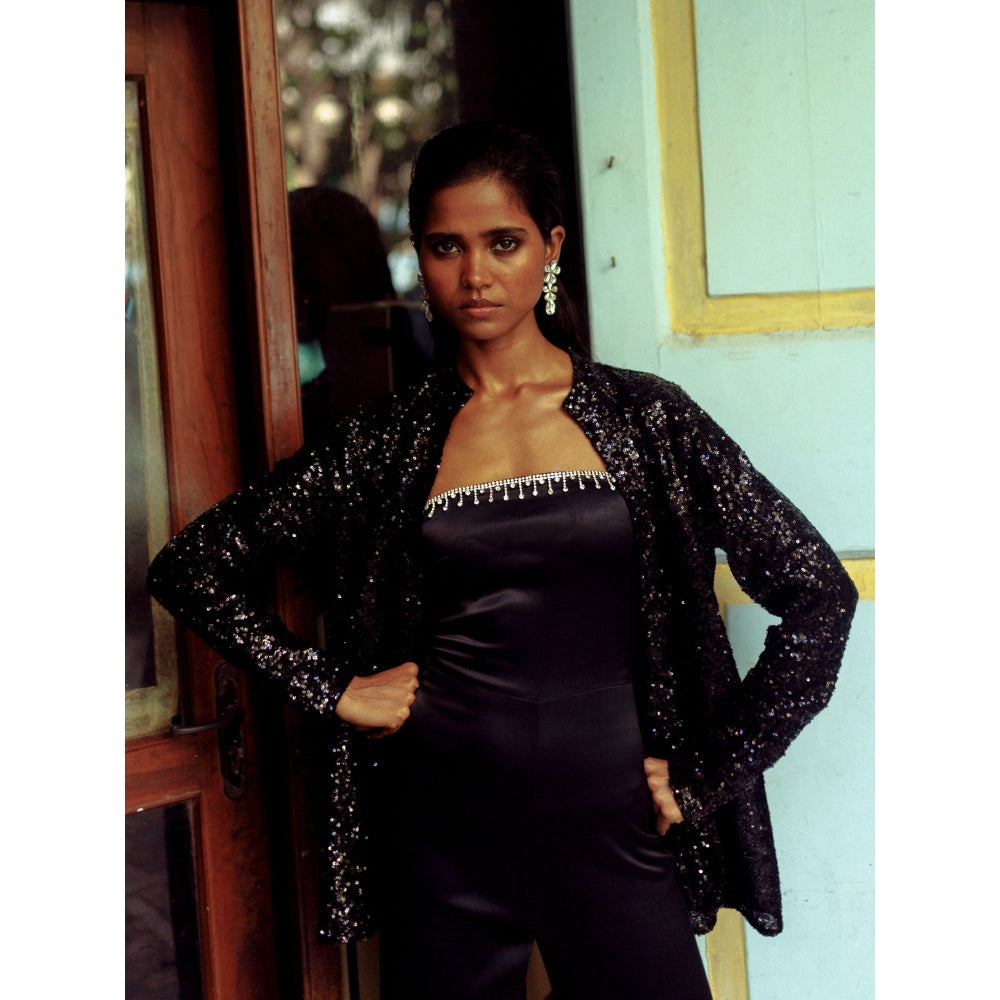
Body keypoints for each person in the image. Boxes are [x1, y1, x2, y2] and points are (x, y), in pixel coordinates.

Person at [147, 123, 858, 999]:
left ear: (550, 248)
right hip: (443, 836)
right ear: (420, 256)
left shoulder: (649, 420)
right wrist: (332, 688)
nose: (475, 274)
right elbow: (190, 567)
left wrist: (712, 769)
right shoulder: (383, 443)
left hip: (617, 830)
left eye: (503, 243)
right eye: (446, 246)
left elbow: (819, 594)